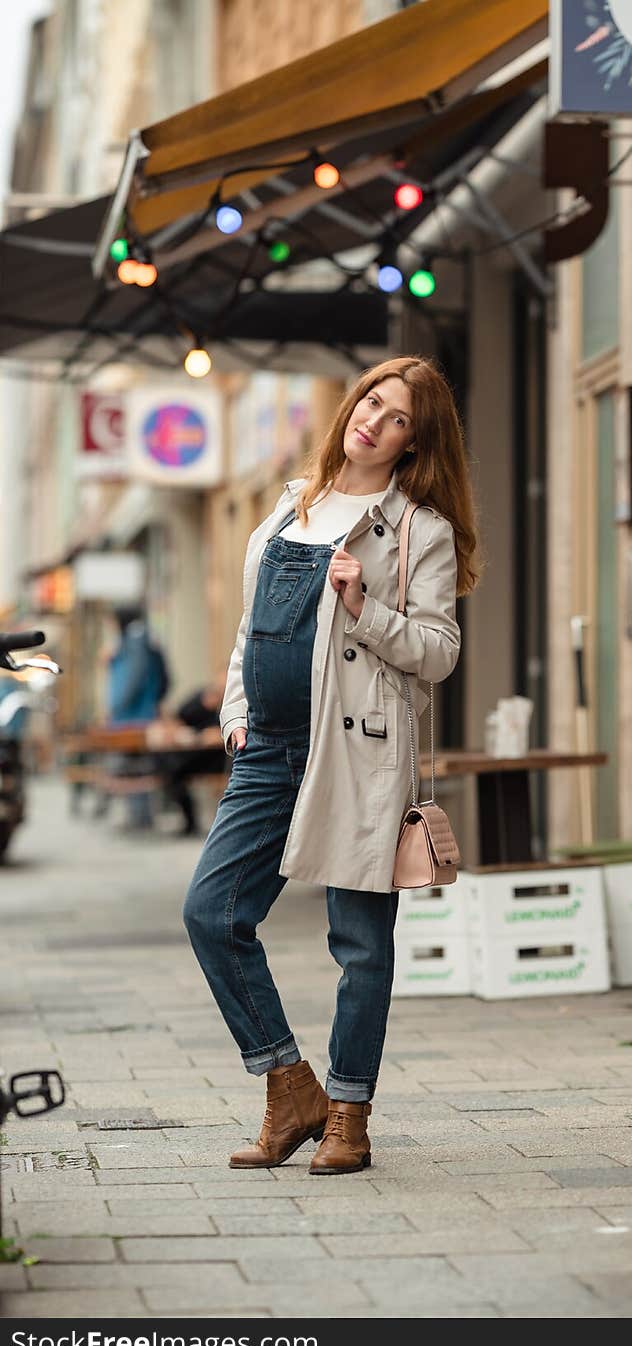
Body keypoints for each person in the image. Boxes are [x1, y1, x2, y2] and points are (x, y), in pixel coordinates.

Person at [183, 356, 480, 1175]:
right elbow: (250, 631)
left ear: (415, 445)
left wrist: (366, 607)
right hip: (267, 752)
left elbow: (441, 654)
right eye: (372, 403)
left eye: (397, 420)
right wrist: (237, 714)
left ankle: (349, 1114)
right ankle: (289, 1085)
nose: (374, 423)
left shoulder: (422, 527)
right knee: (213, 912)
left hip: (357, 752)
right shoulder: (291, 505)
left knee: (359, 940)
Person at [105, 607, 170, 830]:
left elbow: (131, 679)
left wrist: (117, 705)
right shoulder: (144, 639)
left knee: (134, 765)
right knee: (138, 764)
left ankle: (140, 817)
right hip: (139, 712)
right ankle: (140, 815)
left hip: (133, 715)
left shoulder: (135, 642)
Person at [162, 672, 228, 836]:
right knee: (171, 769)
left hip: (223, 758)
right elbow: (175, 720)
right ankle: (189, 822)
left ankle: (200, 824)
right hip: (194, 753)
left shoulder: (232, 704)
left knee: (175, 768)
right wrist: (179, 733)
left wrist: (220, 734)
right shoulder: (198, 699)